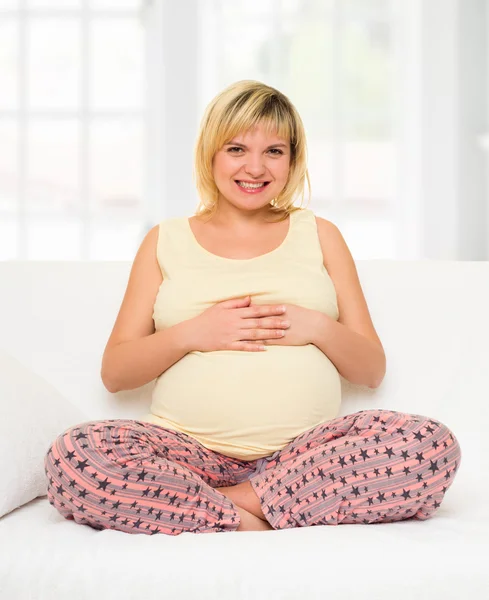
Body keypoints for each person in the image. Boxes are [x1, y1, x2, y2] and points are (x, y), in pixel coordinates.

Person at [44, 80, 462, 536]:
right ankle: (264, 515)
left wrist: (317, 326)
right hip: (186, 455)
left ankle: (224, 509)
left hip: (307, 455)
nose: (255, 168)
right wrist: (193, 333)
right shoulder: (165, 239)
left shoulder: (320, 234)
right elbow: (115, 373)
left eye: (275, 151)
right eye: (237, 148)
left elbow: (372, 370)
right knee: (76, 453)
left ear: (293, 160)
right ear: (211, 154)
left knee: (429, 444)